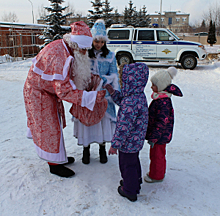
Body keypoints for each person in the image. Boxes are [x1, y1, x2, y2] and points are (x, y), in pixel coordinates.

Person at [23, 21, 107, 178]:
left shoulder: (66, 48)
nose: (84, 53)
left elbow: (67, 77)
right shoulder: (60, 57)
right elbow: (64, 91)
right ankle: (54, 165)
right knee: (50, 127)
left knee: (55, 124)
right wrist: (91, 96)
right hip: (38, 93)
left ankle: (58, 157)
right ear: (76, 45)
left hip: (47, 91)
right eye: (83, 49)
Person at [73, 19, 120, 164]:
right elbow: (79, 72)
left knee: (102, 123)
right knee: (87, 121)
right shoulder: (84, 54)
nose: (98, 44)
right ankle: (86, 150)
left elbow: (114, 75)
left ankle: (102, 148)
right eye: (96, 41)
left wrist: (103, 81)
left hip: (104, 96)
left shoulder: (110, 56)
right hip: (88, 95)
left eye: (101, 41)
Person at [104, 62, 149, 202]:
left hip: (127, 142)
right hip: (136, 140)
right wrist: (113, 93)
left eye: (124, 79)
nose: (122, 82)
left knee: (127, 165)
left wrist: (115, 145)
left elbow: (123, 127)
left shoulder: (130, 101)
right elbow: (123, 101)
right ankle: (135, 182)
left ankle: (129, 191)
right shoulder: (138, 96)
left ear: (130, 80)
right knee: (134, 162)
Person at [144, 67, 183, 183]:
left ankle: (156, 176)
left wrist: (154, 137)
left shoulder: (163, 102)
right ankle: (158, 172)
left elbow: (161, 122)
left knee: (157, 156)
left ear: (161, 86)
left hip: (159, 136)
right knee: (156, 155)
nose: (151, 87)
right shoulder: (160, 97)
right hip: (159, 135)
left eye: (154, 85)